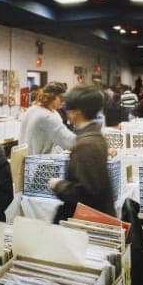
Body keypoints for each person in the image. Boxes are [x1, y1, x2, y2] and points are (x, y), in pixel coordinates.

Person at [47, 86, 115, 222]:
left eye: (68, 109)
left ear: (76, 113)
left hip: (87, 221)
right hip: (97, 216)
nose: (67, 113)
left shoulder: (85, 145)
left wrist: (58, 185)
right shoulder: (96, 137)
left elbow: (85, 194)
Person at [19, 82, 76, 156]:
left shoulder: (31, 110)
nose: (63, 101)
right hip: (38, 164)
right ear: (51, 96)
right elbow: (68, 141)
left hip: (26, 162)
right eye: (61, 98)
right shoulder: (47, 116)